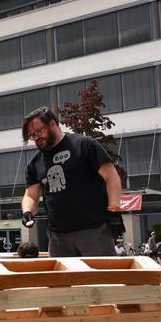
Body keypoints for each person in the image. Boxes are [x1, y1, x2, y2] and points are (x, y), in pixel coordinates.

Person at [20, 107, 124, 257]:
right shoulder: (35, 163)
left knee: (101, 279)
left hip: (94, 231)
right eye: (32, 136)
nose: (36, 138)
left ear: (53, 124)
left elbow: (111, 177)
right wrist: (27, 212)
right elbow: (31, 195)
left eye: (39, 131)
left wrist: (114, 211)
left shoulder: (84, 144)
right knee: (63, 280)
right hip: (58, 237)